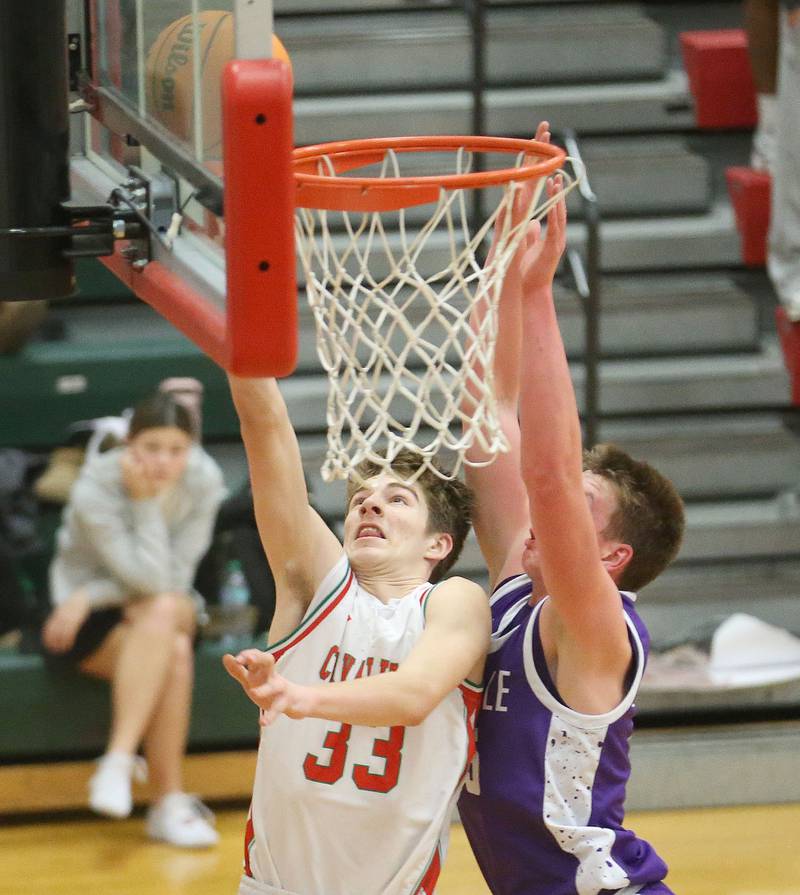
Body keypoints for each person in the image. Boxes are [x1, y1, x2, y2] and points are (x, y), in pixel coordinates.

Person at [456, 146, 686, 894]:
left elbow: (549, 474)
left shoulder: (593, 625)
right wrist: (504, 262)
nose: (543, 510)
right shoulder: (512, 589)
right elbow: (486, 410)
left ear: (612, 556)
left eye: (581, 509)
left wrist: (539, 292)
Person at [222, 374, 489, 895]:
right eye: (361, 499)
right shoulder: (315, 589)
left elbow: (413, 696)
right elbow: (266, 432)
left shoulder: (455, 601)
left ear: (438, 543)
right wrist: (245, 357)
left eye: (397, 500)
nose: (369, 506)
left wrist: (299, 695)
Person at [41, 391, 226, 847]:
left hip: (143, 601)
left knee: (164, 609)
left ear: (191, 448)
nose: (164, 461)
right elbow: (145, 579)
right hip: (86, 620)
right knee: (175, 650)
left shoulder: (204, 480)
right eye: (152, 448)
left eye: (176, 449)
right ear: (129, 445)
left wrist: (90, 594)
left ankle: (119, 760)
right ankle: (166, 803)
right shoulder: (96, 487)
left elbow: (170, 578)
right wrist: (85, 598)